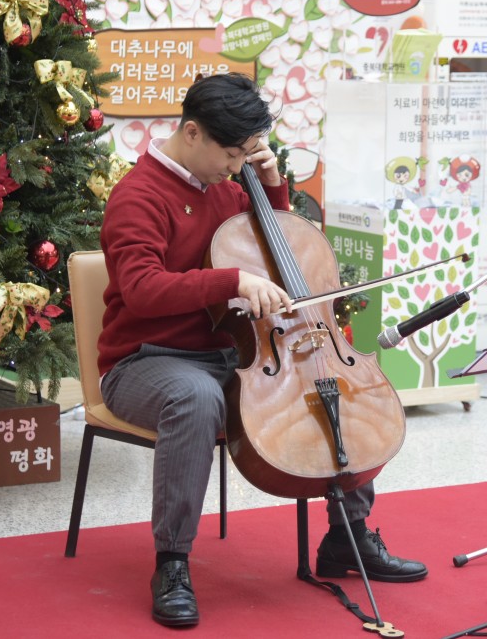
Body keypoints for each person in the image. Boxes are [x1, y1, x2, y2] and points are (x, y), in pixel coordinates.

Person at [97, 73, 427, 628]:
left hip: (233, 352)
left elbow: (270, 244)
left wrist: (272, 188)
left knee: (342, 385)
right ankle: (172, 562)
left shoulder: (228, 186)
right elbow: (142, 290)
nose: (235, 169)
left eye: (245, 156)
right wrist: (230, 282)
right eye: (231, 155)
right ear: (193, 132)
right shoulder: (138, 195)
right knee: (197, 397)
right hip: (147, 359)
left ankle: (348, 539)